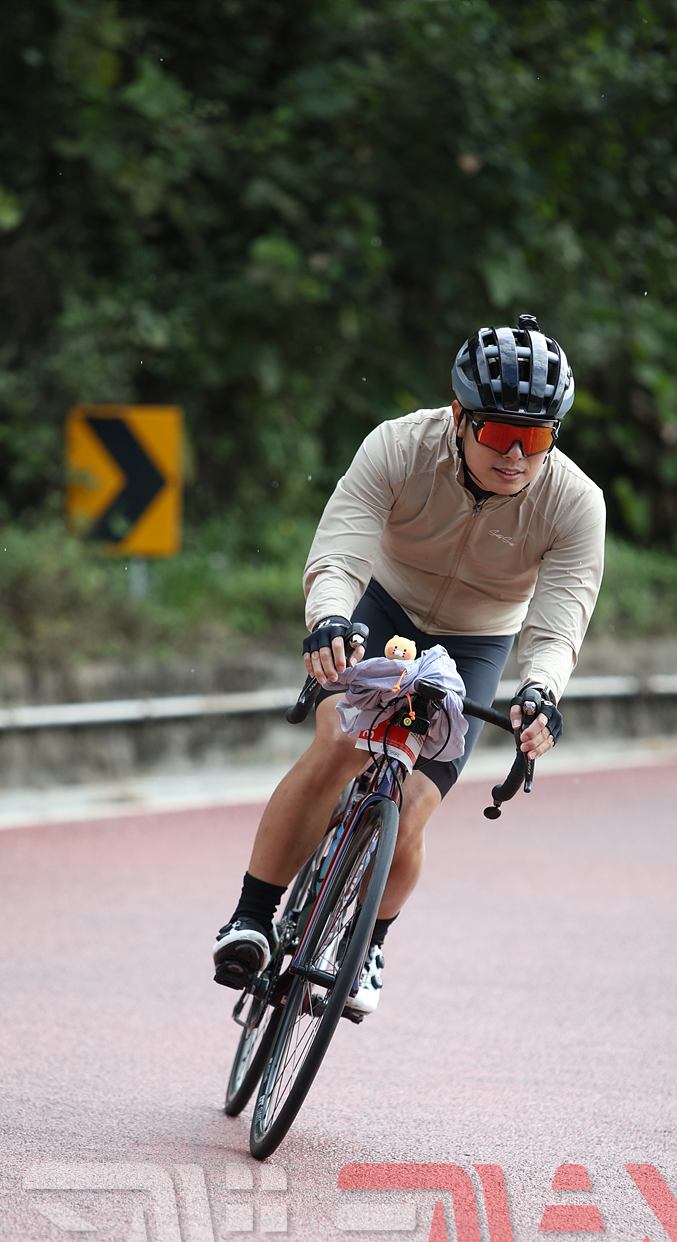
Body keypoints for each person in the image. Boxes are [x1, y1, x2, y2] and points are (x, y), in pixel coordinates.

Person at [211, 314, 606, 1013]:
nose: (517, 455)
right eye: (499, 433)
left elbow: (558, 623)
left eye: (538, 438)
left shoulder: (574, 503)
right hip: (383, 607)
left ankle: (369, 942)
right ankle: (251, 918)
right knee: (340, 743)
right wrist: (329, 618)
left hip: (477, 641)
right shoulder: (399, 446)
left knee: (415, 802)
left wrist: (541, 691)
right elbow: (341, 550)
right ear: (459, 416)